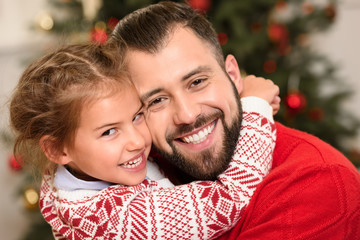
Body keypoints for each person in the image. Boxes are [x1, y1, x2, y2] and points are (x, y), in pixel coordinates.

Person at [109, 1, 360, 239]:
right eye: (156, 101)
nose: (186, 115)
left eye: (197, 82)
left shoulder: (316, 182)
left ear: (233, 75)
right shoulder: (138, 175)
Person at [9, 41, 279, 239]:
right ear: (56, 149)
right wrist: (254, 105)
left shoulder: (78, 171)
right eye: (109, 131)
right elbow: (230, 200)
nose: (137, 141)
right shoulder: (114, 218)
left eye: (138, 116)